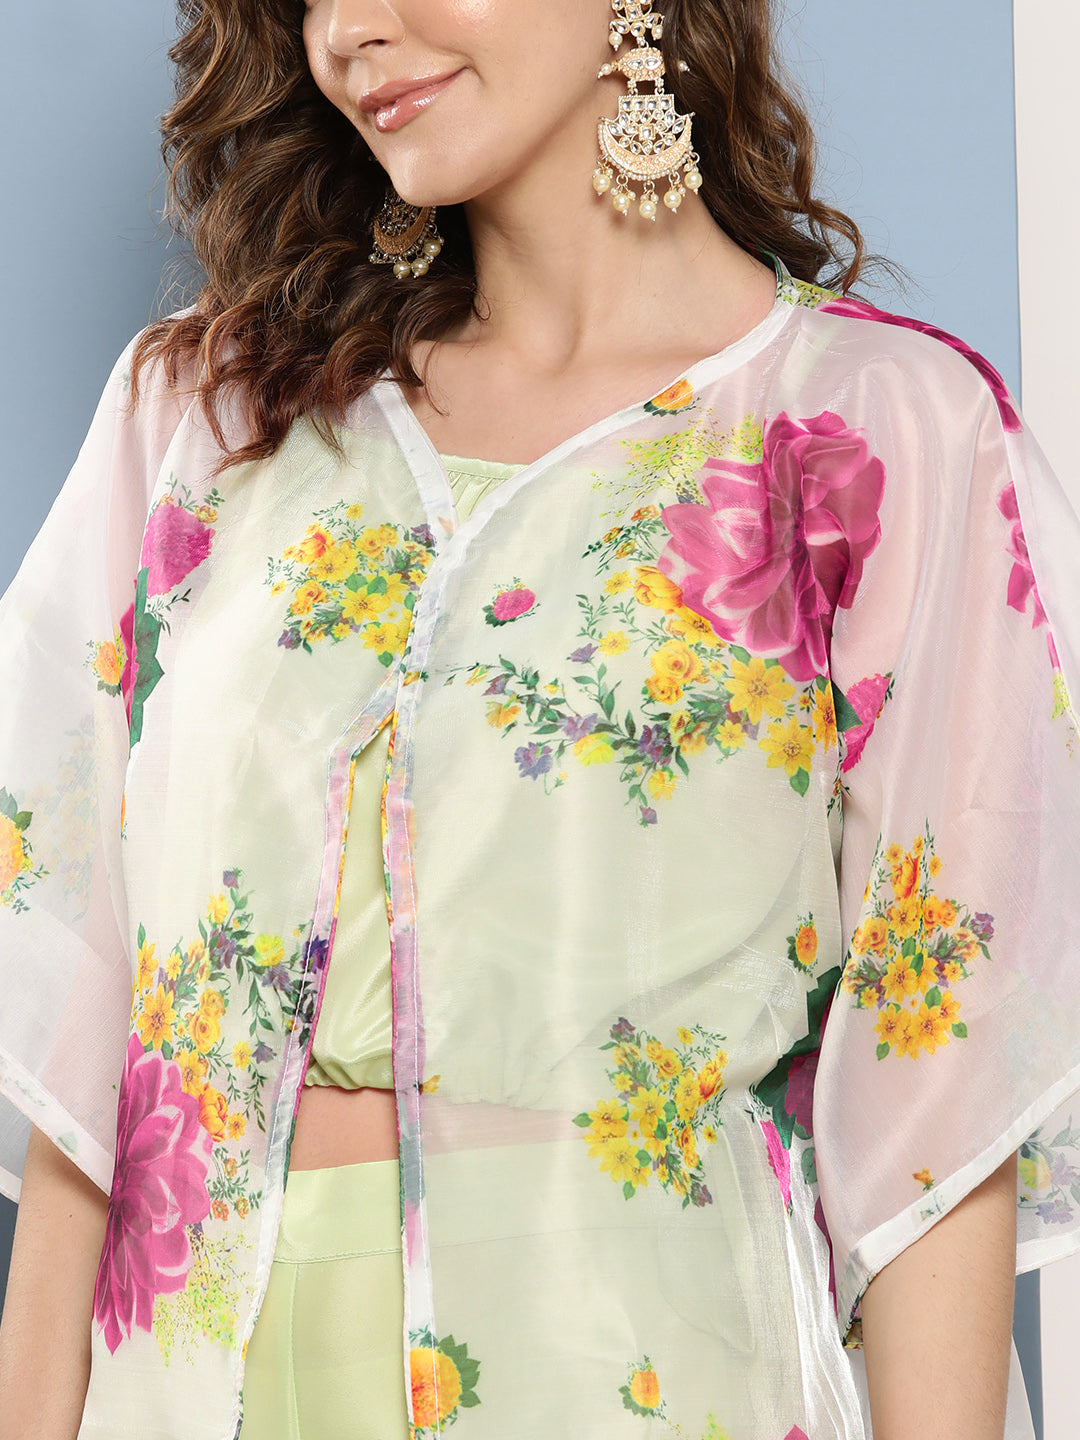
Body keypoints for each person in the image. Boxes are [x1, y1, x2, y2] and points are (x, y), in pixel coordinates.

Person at [0, 1, 1078, 1437]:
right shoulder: (207, 416)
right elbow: (91, 1075)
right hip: (193, 1385)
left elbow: (939, 1091)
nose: (352, 30)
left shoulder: (880, 432)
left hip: (648, 1373)